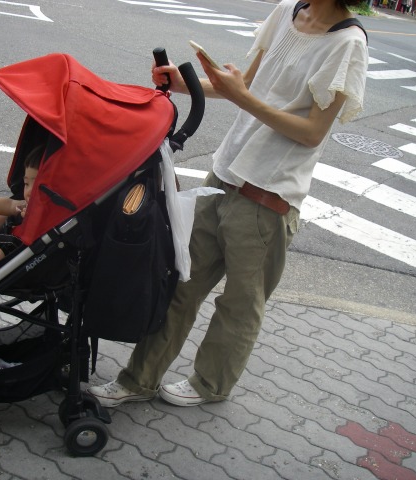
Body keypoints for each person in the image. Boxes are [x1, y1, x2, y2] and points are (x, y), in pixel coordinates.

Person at [88, 0, 368, 407]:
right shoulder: (287, 11)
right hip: (223, 176)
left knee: (239, 305)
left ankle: (211, 384)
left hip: (269, 196)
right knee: (180, 283)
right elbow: (245, 85)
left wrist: (242, 97)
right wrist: (184, 85)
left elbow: (312, 132)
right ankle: (138, 379)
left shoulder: (348, 43)